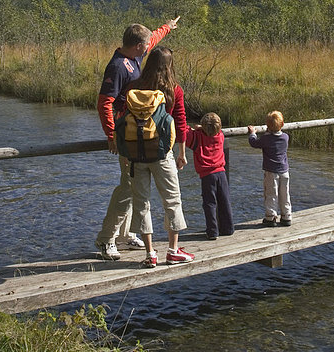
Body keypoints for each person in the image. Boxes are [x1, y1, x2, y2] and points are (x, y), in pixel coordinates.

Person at [95, 18, 180, 261]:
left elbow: (152, 37)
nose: (148, 48)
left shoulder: (134, 57)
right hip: (127, 136)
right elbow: (105, 103)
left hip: (137, 134)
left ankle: (125, 235)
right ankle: (105, 239)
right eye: (145, 46)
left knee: (133, 187)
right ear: (136, 46)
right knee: (127, 188)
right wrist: (111, 135)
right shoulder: (118, 67)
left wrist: (167, 27)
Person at [125, 46, 194, 268]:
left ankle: (150, 253)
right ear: (169, 65)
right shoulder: (173, 90)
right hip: (163, 153)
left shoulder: (134, 87)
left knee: (142, 202)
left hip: (137, 154)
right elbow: (181, 123)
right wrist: (182, 153)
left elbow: (121, 114)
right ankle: (173, 251)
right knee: (172, 200)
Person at [186, 112, 234, 240]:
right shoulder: (220, 136)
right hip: (221, 172)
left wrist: (197, 129)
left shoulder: (196, 138)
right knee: (224, 200)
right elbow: (213, 131)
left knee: (209, 203)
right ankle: (228, 228)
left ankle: (212, 231)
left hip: (207, 175)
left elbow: (184, 131)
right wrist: (201, 128)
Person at [247, 110, 292, 227]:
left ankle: (270, 217)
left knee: (271, 194)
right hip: (284, 171)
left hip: (271, 172)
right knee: (285, 194)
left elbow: (254, 143)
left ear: (267, 126)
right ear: (282, 125)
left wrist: (252, 133)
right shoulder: (285, 137)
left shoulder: (266, 139)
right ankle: (286, 216)